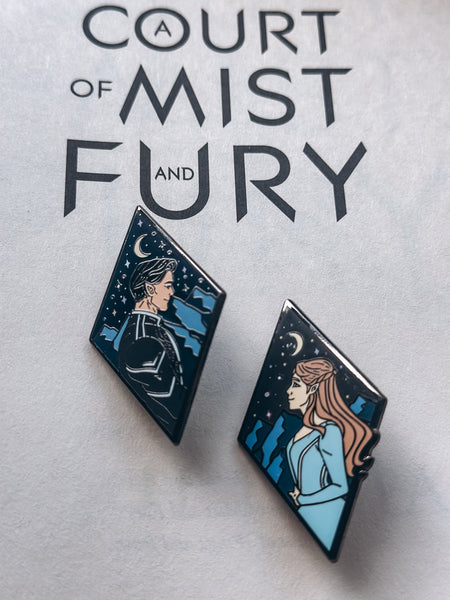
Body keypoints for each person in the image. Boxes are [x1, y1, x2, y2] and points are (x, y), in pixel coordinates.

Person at [285, 358, 373, 551]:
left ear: (313, 388)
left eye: (296, 384)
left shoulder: (329, 431)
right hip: (305, 512)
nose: (289, 390)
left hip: (325, 512)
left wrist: (302, 499)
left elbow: (341, 486)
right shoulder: (304, 428)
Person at [118, 257, 185, 434]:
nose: (172, 292)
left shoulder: (149, 330)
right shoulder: (143, 339)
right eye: (168, 285)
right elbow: (172, 406)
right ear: (149, 288)